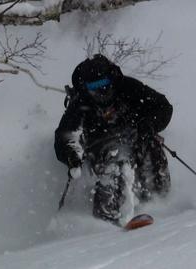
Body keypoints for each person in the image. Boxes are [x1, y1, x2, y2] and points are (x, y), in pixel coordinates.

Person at [55, 54, 173, 225]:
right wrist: (72, 156)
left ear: (111, 80)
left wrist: (150, 124)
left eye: (103, 84)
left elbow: (162, 107)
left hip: (136, 136)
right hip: (100, 145)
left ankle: (160, 204)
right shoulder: (80, 101)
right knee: (110, 169)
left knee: (152, 152)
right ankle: (107, 220)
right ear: (86, 86)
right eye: (93, 86)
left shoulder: (128, 88)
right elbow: (63, 136)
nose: (100, 91)